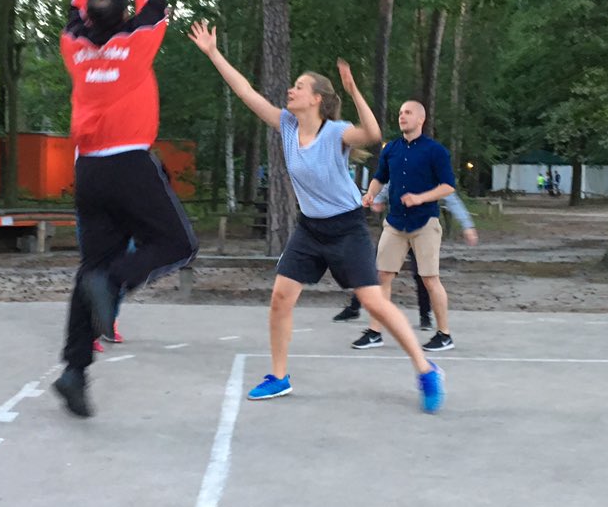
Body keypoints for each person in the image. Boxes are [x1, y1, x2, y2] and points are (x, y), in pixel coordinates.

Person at [189, 21, 445, 413]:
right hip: (310, 229)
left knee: (374, 303)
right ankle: (279, 377)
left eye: (299, 86)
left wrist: (353, 89)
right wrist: (213, 52)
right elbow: (245, 92)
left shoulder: (336, 132)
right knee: (280, 298)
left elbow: (373, 133)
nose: (290, 90)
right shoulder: (287, 125)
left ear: (317, 99)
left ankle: (426, 369)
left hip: (346, 228)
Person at [53, 0, 198, 418]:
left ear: (90, 21)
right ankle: (115, 284)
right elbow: (155, 2)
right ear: (123, 17)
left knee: (89, 268)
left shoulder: (76, 50)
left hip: (89, 173)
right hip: (130, 162)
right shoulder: (136, 44)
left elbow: (75, 13)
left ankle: (74, 370)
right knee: (179, 244)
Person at [349, 101, 458, 352]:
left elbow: (448, 186)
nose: (402, 116)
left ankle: (444, 334)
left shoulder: (435, 151)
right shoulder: (391, 149)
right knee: (381, 277)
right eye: (399, 113)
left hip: (425, 223)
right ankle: (375, 332)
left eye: (407, 113)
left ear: (421, 119)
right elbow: (380, 177)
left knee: (430, 279)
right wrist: (371, 195)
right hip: (395, 222)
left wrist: (420, 198)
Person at [333, 186, 478, 330]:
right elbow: (389, 184)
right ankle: (354, 308)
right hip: (396, 227)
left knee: (424, 274)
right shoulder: (400, 165)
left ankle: (425, 315)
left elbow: (451, 198)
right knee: (375, 270)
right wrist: (377, 199)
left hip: (422, 228)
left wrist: (467, 225)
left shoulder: (433, 172)